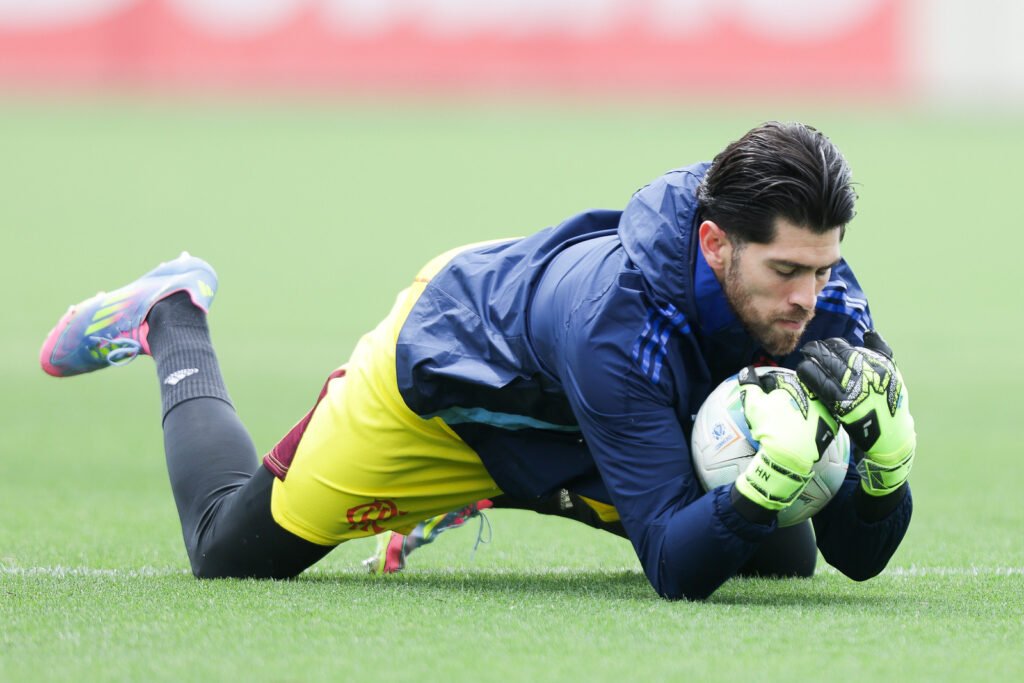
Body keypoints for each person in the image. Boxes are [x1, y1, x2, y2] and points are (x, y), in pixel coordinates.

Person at [40, 121, 915, 600]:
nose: (809, 297)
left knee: (779, 558)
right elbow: (674, 571)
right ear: (716, 243)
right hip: (457, 384)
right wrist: (762, 487)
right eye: (787, 272)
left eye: (824, 267)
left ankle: (496, 491)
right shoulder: (618, 328)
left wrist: (886, 463)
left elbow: (857, 557)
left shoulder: (824, 294)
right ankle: (172, 313)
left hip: (596, 413)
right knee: (228, 554)